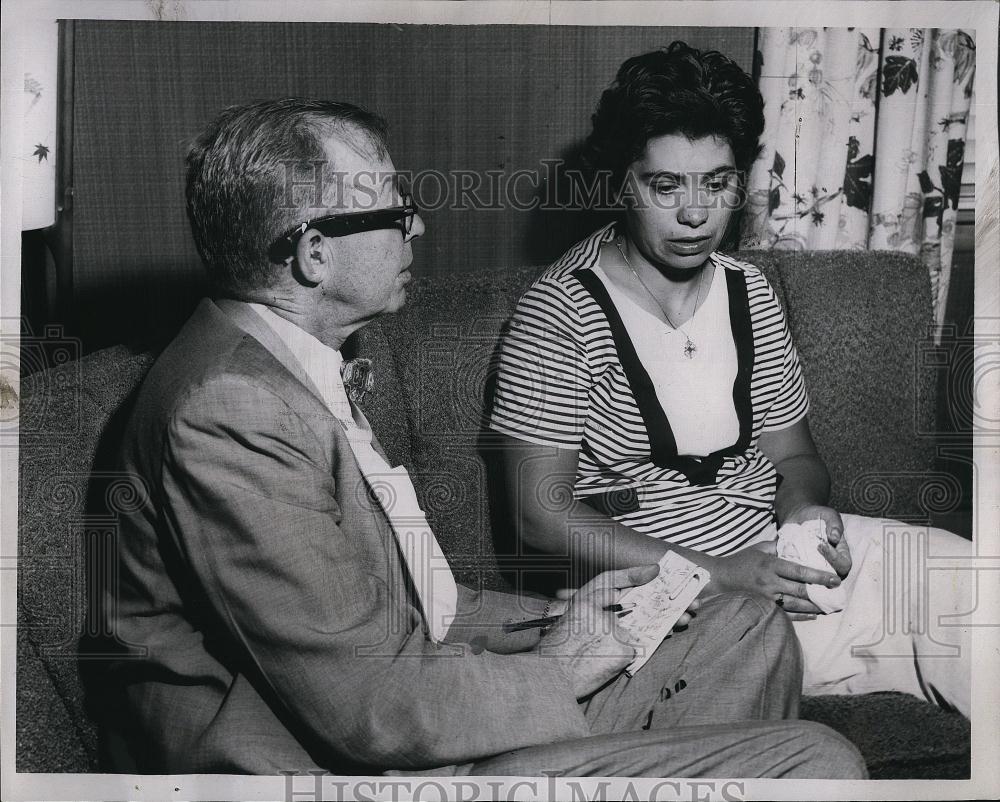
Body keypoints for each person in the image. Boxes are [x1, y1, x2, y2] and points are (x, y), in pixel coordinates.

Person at [103, 97, 866, 778]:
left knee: (745, 623)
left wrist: (558, 624)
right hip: (339, 757)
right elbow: (365, 701)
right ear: (313, 252)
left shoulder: (292, 362)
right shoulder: (232, 408)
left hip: (417, 688)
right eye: (397, 209)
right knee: (819, 761)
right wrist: (558, 669)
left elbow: (413, 606)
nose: (419, 226)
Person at [489, 42, 972, 717]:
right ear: (623, 182)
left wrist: (803, 508)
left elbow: (795, 456)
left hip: (770, 555)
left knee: (963, 578)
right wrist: (715, 575)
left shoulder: (749, 290)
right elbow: (538, 515)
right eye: (666, 186)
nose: (695, 215)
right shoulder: (559, 311)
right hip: (660, 598)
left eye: (717, 183)